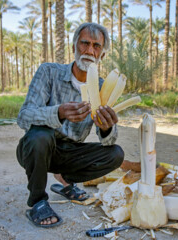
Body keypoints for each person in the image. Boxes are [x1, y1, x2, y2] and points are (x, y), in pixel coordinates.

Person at [16, 23, 124, 228]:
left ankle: (65, 179)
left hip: (69, 154)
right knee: (41, 135)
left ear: (102, 55)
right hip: (36, 148)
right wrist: (58, 112)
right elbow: (24, 117)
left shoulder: (102, 87)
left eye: (96, 46)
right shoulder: (49, 72)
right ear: (73, 46)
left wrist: (106, 127)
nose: (89, 51)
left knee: (116, 154)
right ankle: (38, 201)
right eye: (84, 43)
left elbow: (109, 140)